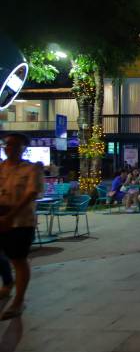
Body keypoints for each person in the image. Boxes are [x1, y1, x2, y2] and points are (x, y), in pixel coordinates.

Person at [0, 133, 44, 319]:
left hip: (21, 222)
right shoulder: (1, 168)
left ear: (23, 148)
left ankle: (18, 301)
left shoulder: (31, 169)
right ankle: (8, 283)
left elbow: (31, 194)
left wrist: (10, 215)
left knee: (18, 259)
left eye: (14, 145)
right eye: (7, 144)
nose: (9, 147)